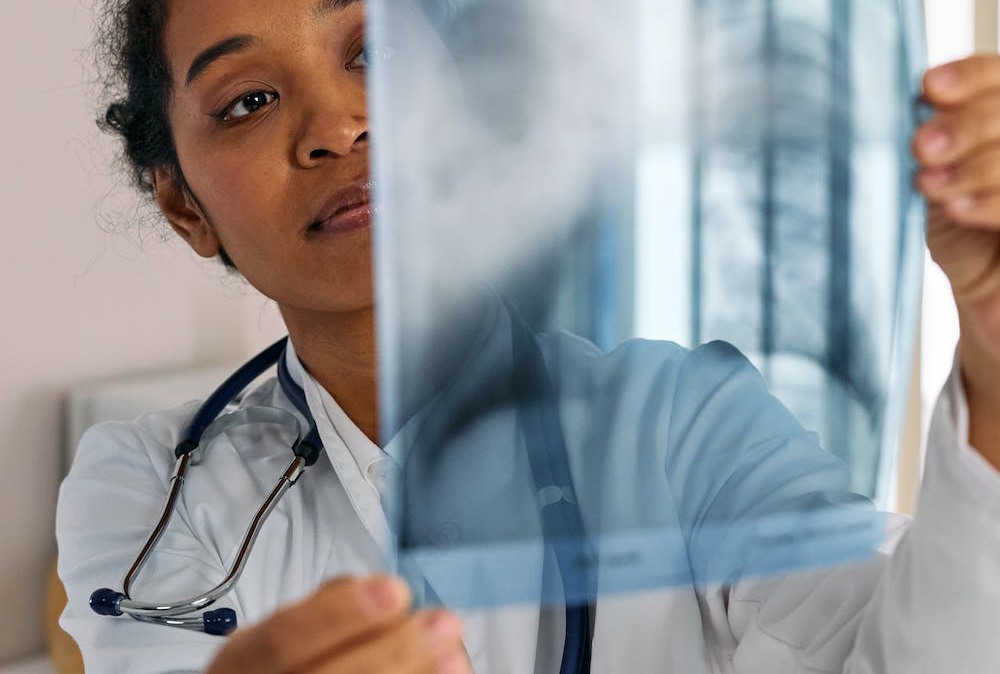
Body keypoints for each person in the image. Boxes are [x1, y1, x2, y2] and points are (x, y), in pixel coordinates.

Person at [56, 0, 1000, 672]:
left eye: (375, 53)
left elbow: (908, 657)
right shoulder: (143, 482)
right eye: (247, 101)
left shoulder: (685, 424)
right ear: (185, 206)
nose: (338, 127)